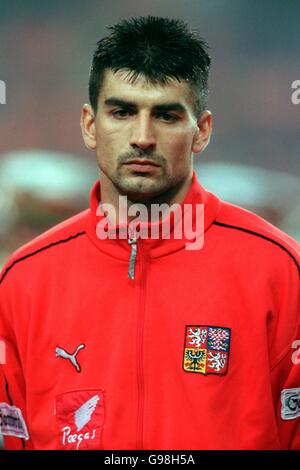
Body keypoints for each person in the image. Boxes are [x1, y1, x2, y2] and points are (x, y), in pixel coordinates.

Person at [0, 16, 299, 451]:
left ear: (202, 131)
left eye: (166, 115)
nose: (142, 137)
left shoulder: (279, 271)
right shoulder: (24, 281)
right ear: (89, 124)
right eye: (122, 111)